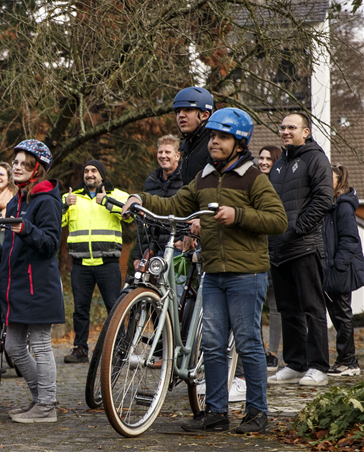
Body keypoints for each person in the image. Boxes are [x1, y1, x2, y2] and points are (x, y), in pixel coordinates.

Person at [122, 107, 287, 434]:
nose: (214, 141)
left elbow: (278, 221)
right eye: (212, 135)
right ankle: (216, 412)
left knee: (247, 342)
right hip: (212, 271)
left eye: (222, 137)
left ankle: (257, 413)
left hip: (246, 274)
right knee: (211, 344)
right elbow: (175, 206)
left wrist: (238, 214)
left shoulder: (254, 178)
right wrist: (142, 199)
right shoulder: (206, 176)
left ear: (239, 143)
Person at [0, 140, 65, 423]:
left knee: (41, 345)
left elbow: (49, 244)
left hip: (38, 287)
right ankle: (41, 399)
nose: (17, 167)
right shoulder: (16, 201)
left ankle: (46, 407)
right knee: (13, 347)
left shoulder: (47, 201)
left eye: (24, 163)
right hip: (17, 287)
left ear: (38, 169)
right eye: (16, 163)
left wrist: (26, 228)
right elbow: (7, 247)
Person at [267, 112, 333, 387]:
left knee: (312, 307)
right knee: (287, 309)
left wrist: (298, 228)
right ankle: (295, 363)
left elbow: (324, 198)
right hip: (278, 249)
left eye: (291, 127)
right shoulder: (278, 164)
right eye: (282, 127)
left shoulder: (316, 158)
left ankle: (318, 366)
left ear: (305, 132)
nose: (285, 131)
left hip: (304, 247)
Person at [62, 159, 129, 363]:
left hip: (107, 262)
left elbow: (130, 217)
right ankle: (80, 349)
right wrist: (63, 205)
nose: (89, 174)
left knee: (113, 307)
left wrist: (108, 203)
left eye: (94, 171)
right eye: (86, 170)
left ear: (102, 175)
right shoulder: (71, 197)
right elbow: (56, 221)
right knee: (80, 309)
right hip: (80, 264)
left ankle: (120, 348)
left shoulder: (117, 195)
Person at [322, 165, 364, 377]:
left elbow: (349, 239)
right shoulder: (330, 204)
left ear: (339, 182)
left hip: (340, 268)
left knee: (342, 314)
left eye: (330, 178)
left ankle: (348, 361)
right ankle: (345, 360)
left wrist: (337, 266)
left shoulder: (343, 206)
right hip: (331, 267)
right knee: (338, 315)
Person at [132, 135, 183, 269]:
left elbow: (193, 212)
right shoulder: (151, 182)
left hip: (178, 249)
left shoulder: (187, 179)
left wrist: (183, 240)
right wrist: (138, 255)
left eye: (167, 152)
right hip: (153, 249)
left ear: (177, 156)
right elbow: (143, 221)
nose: (163, 155)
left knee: (175, 289)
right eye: (160, 152)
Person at [172, 86, 215, 249]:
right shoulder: (189, 147)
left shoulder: (212, 146)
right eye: (178, 111)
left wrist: (201, 220)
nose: (181, 115)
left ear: (205, 114)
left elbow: (218, 188)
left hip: (211, 230)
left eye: (188, 110)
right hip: (192, 230)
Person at [258, 146, 283, 372]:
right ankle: (257, 350)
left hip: (275, 253)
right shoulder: (252, 183)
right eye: (261, 157)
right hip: (255, 253)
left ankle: (273, 354)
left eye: (268, 158)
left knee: (275, 306)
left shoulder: (279, 187)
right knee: (253, 306)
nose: (264, 162)